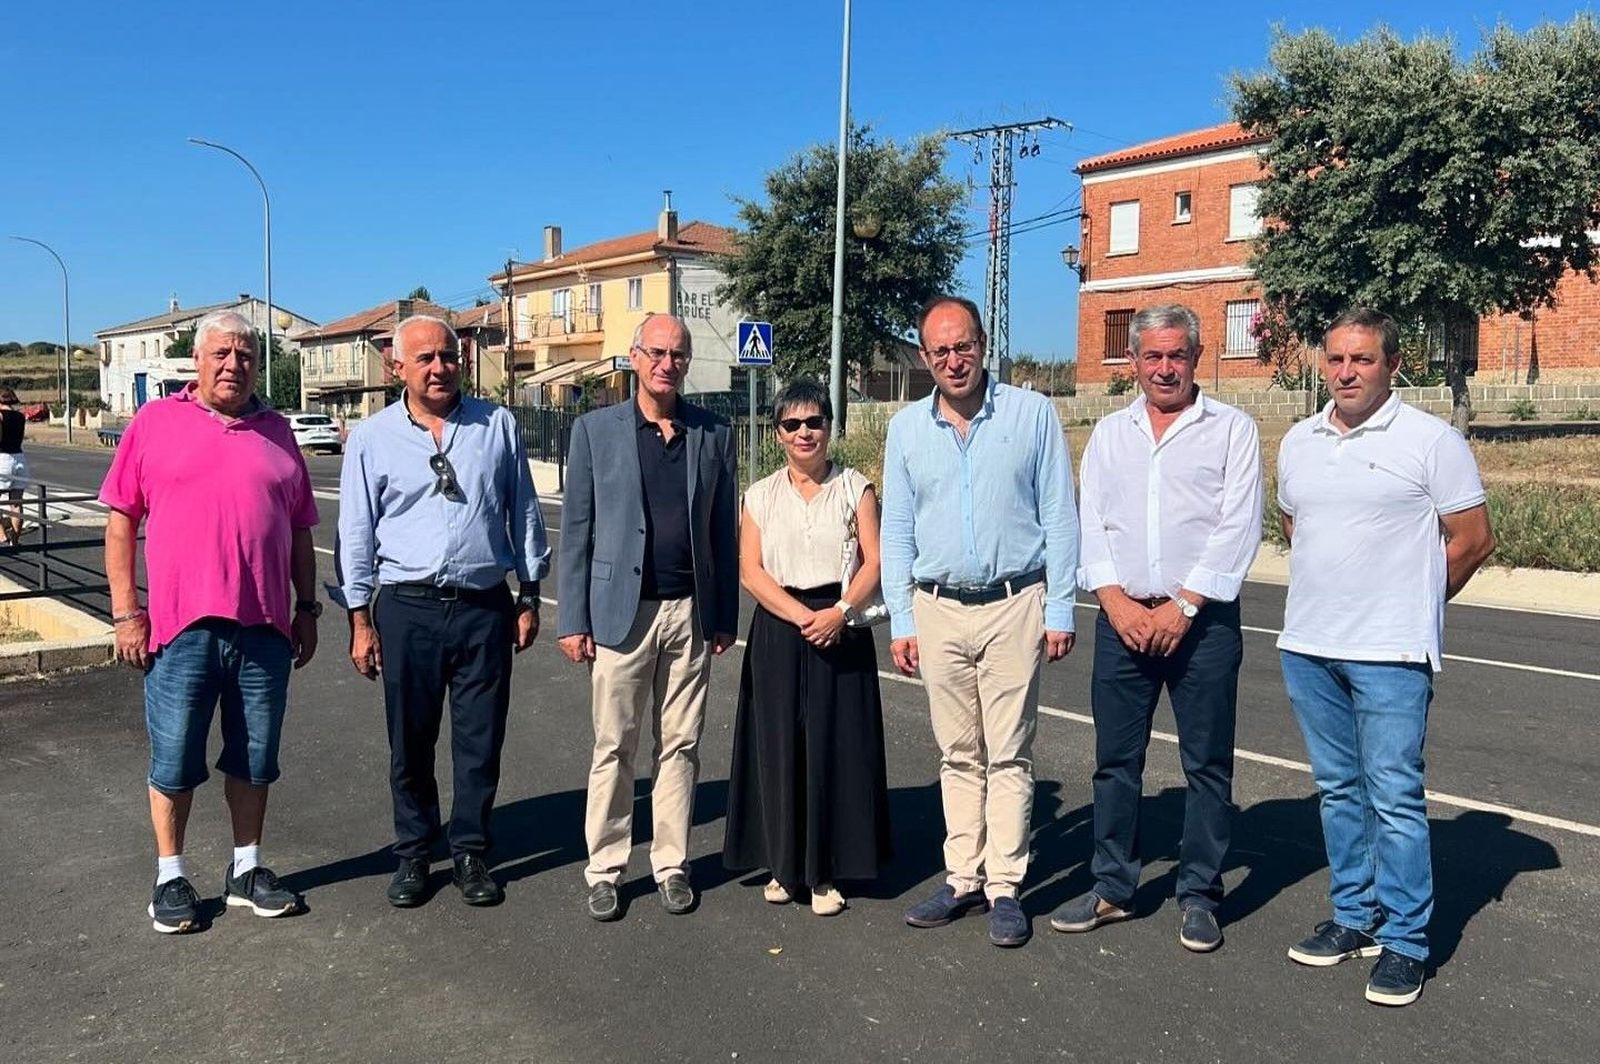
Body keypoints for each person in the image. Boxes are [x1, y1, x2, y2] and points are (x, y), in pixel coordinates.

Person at [1277, 308, 1495, 1007]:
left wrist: (1415, 602)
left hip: (1391, 652)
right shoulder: (1299, 441)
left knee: (1395, 797)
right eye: (1336, 359)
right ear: (1322, 363)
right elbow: (1296, 525)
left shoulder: (1432, 441)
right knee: (1339, 789)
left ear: (1392, 365)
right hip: (1310, 647)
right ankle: (1354, 916)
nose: (1346, 372)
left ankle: (1405, 941)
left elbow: (1471, 538)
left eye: (1363, 360)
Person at [1050, 304, 1262, 953]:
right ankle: (1113, 886)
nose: (1164, 367)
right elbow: (1094, 523)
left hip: (1201, 624)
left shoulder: (1233, 430)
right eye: (1152, 356)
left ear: (1196, 357)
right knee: (1116, 762)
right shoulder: (1110, 435)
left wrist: (1184, 605)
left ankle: (1199, 893)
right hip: (1123, 621)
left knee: (1206, 766)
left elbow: (1239, 524)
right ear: (1134, 361)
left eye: (1176, 355)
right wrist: (1113, 603)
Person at [99, 309, 319, 934]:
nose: (233, 365)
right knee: (174, 757)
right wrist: (125, 614)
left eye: (246, 355)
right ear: (196, 361)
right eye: (221, 354)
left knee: (254, 756)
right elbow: (121, 521)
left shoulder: (278, 432)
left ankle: (246, 868)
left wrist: (306, 608)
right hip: (180, 627)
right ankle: (170, 875)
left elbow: (301, 529)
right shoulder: (155, 422)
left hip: (265, 629)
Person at [882, 295, 1079, 948]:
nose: (953, 359)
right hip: (936, 608)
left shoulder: (1031, 415)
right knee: (958, 753)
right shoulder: (907, 430)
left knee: (1010, 753)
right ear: (923, 357)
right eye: (939, 350)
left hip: (1013, 604)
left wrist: (1059, 607)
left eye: (962, 345)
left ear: (983, 343)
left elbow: (1059, 513)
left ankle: (1005, 886)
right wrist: (902, 619)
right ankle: (962, 876)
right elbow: (898, 529)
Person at [337, 314, 548, 909]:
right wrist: (360, 618)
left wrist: (528, 594)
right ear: (396, 366)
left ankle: (472, 849)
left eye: (448, 356)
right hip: (408, 608)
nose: (439, 367)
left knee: (480, 738)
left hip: (484, 606)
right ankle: (412, 852)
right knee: (411, 738)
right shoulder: (372, 438)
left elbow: (523, 511)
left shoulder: (496, 425)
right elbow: (356, 531)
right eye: (425, 358)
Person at [558, 313, 738, 922]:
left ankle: (671, 863)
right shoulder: (593, 430)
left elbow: (722, 529)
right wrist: (571, 619)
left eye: (679, 355)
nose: (668, 363)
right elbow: (577, 527)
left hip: (689, 611)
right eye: (657, 352)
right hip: (620, 614)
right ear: (634, 357)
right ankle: (606, 867)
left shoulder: (714, 433)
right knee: (615, 744)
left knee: (681, 745)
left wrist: (723, 614)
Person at [722, 380, 892, 916]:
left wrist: (837, 614)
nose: (804, 433)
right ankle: (783, 865)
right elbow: (750, 569)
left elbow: (876, 559)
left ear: (829, 427)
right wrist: (801, 617)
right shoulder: (761, 494)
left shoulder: (856, 487)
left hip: (840, 624)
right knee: (778, 745)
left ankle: (824, 873)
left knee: (834, 746)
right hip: (780, 624)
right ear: (777, 434)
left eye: (814, 422)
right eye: (792, 424)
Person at [0, 387, 30, 546]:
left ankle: (1, 535)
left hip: (2, 458)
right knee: (16, 503)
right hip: (19, 458)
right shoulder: (20, 416)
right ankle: (15, 540)